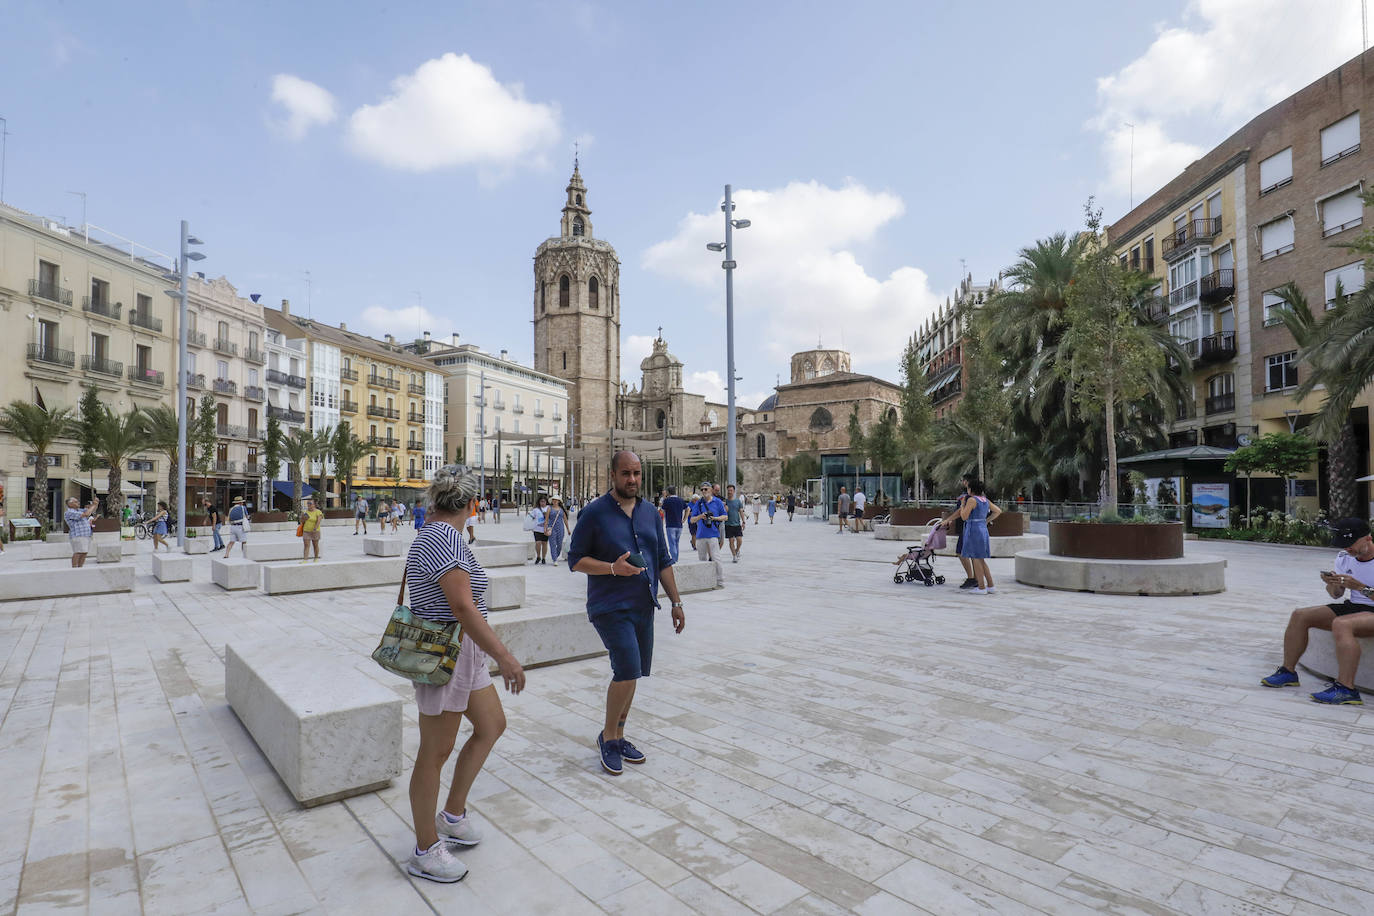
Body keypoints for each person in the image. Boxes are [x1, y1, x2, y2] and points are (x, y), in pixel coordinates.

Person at [403, 463, 526, 883]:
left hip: (464, 653)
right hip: (445, 653)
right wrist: (505, 657)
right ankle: (425, 848)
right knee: (434, 753)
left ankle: (452, 814)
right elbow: (462, 608)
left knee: (491, 725)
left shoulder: (445, 536)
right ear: (473, 504)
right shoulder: (443, 540)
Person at [568, 451, 685, 776]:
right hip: (609, 606)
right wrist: (612, 569)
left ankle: (618, 735)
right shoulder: (594, 513)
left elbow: (662, 559)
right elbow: (575, 559)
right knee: (627, 669)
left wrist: (676, 603)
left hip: (643, 605)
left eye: (636, 474)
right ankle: (608, 737)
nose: (632, 480)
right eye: (625, 474)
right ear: (613, 475)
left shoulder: (650, 512)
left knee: (634, 673)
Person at [1261, 517, 1374, 705]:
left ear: (1368, 538)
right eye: (1344, 545)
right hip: (1356, 607)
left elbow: (1361, 589)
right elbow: (1336, 595)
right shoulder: (1344, 557)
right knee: (1300, 615)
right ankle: (1288, 672)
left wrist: (1361, 587)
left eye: (1351, 544)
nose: (1347, 549)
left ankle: (1346, 689)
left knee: (1342, 624)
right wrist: (1332, 584)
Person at [957, 480, 1001, 594]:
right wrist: (986, 521)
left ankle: (981, 587)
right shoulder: (985, 500)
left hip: (973, 530)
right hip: (982, 528)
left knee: (976, 558)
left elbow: (964, 517)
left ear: (971, 490)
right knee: (981, 558)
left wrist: (962, 505)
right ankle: (990, 586)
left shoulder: (972, 500)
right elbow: (998, 511)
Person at [938, 474, 977, 589]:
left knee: (961, 552)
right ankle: (976, 578)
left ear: (966, 482)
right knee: (974, 554)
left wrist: (948, 520)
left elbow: (960, 512)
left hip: (967, 528)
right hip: (976, 528)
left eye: (963, 481)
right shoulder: (981, 497)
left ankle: (971, 578)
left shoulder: (966, 497)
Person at [689, 483, 726, 587]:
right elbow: (692, 520)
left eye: (706, 489)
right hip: (700, 535)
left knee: (716, 558)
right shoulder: (699, 503)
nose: (704, 491)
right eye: (702, 489)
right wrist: (701, 516)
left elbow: (725, 516)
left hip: (713, 534)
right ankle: (704, 582)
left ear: (711, 490)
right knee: (702, 560)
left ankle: (720, 581)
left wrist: (714, 518)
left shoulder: (717, 502)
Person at [65, 497, 97, 567]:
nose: (78, 503)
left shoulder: (79, 510)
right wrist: (93, 505)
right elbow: (86, 514)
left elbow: (91, 511)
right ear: (70, 504)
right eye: (76, 502)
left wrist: (95, 504)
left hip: (86, 535)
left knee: (84, 552)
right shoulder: (69, 512)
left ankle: (80, 567)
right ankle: (74, 567)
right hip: (78, 535)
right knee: (78, 552)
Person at [659, 486, 688, 564]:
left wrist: (664, 498)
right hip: (679, 524)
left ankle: (674, 559)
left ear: (668, 492)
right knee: (676, 543)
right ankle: (676, 558)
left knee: (672, 543)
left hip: (670, 524)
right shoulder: (681, 500)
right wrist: (684, 519)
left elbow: (661, 510)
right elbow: (687, 509)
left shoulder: (667, 500)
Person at [545, 496, 571, 564]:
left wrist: (568, 529)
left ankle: (556, 556)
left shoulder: (561, 510)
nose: (555, 501)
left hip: (560, 528)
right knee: (552, 544)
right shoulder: (549, 508)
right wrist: (545, 529)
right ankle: (554, 559)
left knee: (559, 544)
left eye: (556, 500)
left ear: (559, 501)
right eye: (553, 500)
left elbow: (565, 519)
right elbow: (546, 519)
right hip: (551, 528)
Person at [724, 484, 745, 563]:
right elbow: (722, 512)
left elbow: (741, 511)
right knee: (731, 540)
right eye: (728, 490)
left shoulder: (737, 501)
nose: (729, 492)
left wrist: (743, 522)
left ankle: (737, 550)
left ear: (734, 491)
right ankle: (734, 556)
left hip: (737, 524)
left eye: (731, 490)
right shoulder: (725, 502)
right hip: (728, 524)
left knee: (739, 540)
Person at [300, 497, 324, 561]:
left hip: (315, 531)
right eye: (308, 503)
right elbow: (302, 521)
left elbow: (318, 521)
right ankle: (305, 559)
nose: (308, 505)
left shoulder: (318, 512)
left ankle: (316, 558)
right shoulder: (306, 512)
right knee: (306, 545)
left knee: (315, 545)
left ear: (314, 504)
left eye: (310, 503)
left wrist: (315, 528)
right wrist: (302, 517)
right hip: (306, 531)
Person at [527, 496, 549, 564]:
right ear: (539, 502)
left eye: (544, 501)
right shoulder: (535, 509)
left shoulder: (549, 508)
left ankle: (544, 558)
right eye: (541, 501)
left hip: (545, 529)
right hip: (537, 529)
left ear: (546, 502)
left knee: (544, 543)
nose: (542, 503)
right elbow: (532, 518)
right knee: (538, 543)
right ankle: (538, 556)